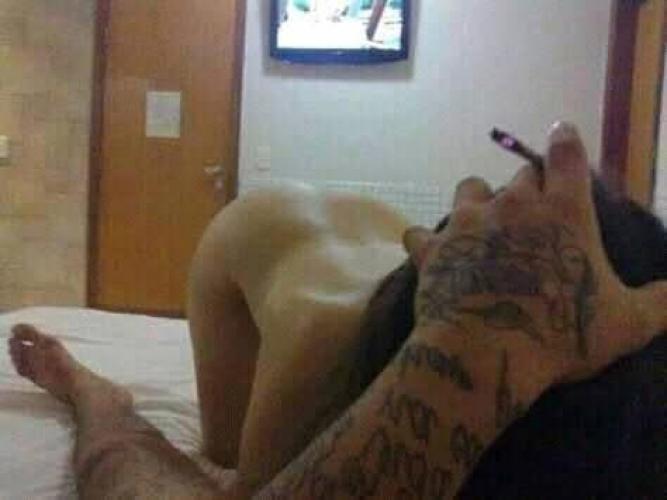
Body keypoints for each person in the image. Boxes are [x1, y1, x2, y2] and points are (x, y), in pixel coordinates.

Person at [8, 122, 666, 499]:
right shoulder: (322, 344)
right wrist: (96, 397)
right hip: (260, 240)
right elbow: (145, 475)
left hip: (398, 252)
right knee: (228, 454)